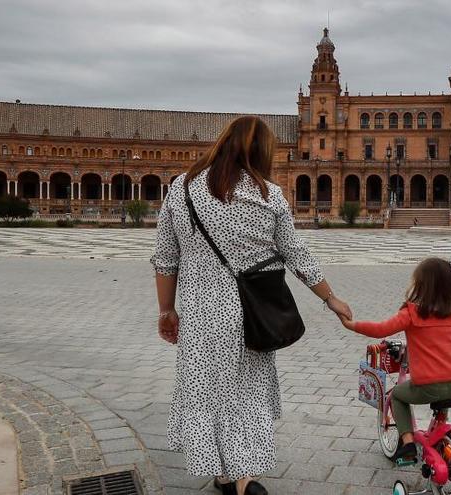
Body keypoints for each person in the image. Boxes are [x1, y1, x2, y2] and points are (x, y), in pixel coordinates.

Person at [151, 116, 352, 495]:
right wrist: (330, 298)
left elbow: (165, 258)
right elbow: (296, 253)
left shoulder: (181, 190)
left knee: (208, 390)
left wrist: (166, 310)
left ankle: (225, 474)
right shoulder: (268, 195)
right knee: (248, 393)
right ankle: (245, 479)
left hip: (200, 315)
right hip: (253, 313)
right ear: (263, 153)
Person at [338, 257, 451, 462]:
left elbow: (381, 329)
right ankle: (441, 437)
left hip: (427, 385)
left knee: (397, 395)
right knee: (443, 394)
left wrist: (352, 325)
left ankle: (407, 443)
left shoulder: (412, 313)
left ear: (423, 286)